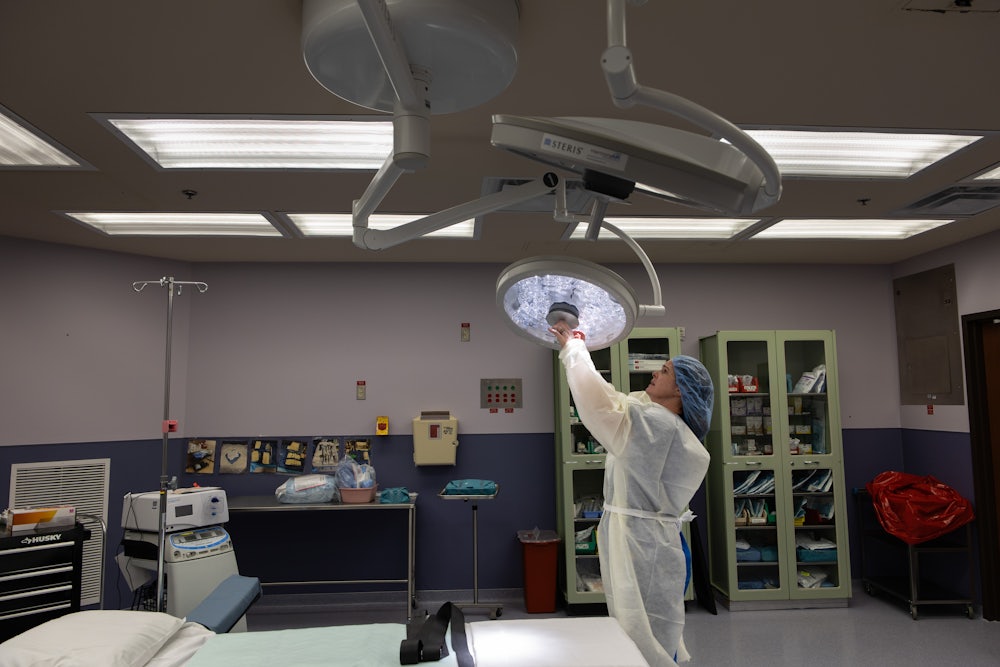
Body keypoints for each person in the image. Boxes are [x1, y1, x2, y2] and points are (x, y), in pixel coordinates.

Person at [549, 321, 713, 666]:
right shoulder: (659, 421)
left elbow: (600, 404)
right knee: (644, 628)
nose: (655, 373)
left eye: (665, 371)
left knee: (644, 632)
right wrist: (577, 352)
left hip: (646, 547)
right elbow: (614, 400)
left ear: (681, 389)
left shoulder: (658, 426)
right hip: (649, 541)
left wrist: (574, 349)